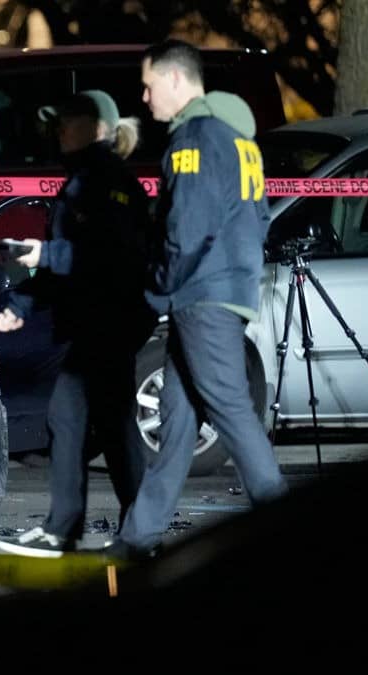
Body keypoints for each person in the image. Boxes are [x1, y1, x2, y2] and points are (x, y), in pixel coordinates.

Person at [103, 39, 289, 561]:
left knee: (230, 408)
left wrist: (156, 286)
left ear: (177, 80)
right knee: (178, 419)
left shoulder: (196, 140)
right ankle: (137, 539)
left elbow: (188, 228)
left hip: (200, 293)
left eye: (149, 84)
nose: (144, 97)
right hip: (222, 288)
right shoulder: (238, 141)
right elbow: (256, 218)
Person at [0, 91, 155, 557]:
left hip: (110, 320)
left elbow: (110, 258)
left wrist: (46, 254)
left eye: (71, 121)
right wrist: (22, 303)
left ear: (100, 129)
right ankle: (129, 531)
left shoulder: (106, 182)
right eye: (60, 121)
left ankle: (67, 530)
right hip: (96, 322)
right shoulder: (83, 180)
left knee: (77, 419)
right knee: (108, 425)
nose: (61, 129)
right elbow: (67, 266)